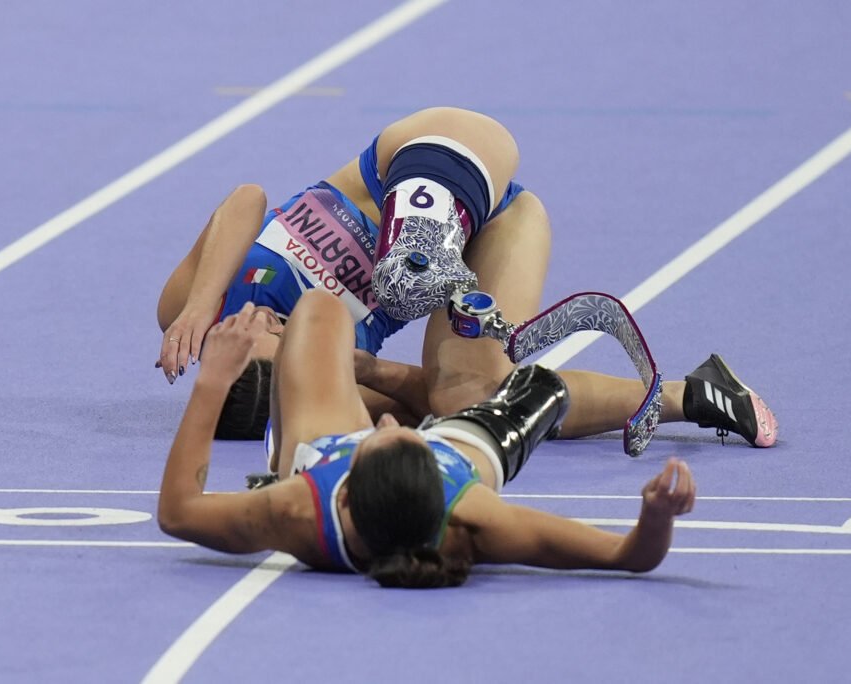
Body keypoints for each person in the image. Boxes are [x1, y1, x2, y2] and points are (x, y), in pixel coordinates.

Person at [155, 107, 777, 449]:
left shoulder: (194, 313)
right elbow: (426, 399)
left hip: (424, 153)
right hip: (502, 226)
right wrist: (368, 370)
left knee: (403, 276)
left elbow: (245, 198)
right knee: (472, 400)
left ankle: (424, 254)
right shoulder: (334, 384)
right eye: (282, 340)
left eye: (252, 325)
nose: (264, 319)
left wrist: (197, 308)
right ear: (293, 378)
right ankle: (688, 394)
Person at [157, 292, 697, 588]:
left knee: (318, 308)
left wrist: (214, 381)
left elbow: (178, 513)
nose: (387, 424)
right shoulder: (474, 517)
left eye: (377, 436)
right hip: (448, 467)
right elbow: (628, 557)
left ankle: (284, 453)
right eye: (411, 437)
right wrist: (657, 515)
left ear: (344, 490)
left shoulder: (297, 509)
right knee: (539, 391)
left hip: (314, 456)